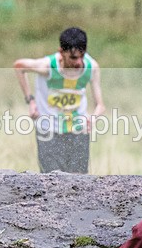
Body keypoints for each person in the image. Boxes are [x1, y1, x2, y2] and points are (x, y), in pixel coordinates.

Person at [13, 27, 104, 173]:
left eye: (82, 56)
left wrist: (92, 118)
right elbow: (19, 66)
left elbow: (100, 105)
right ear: (61, 52)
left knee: (79, 182)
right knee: (51, 181)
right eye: (73, 58)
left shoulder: (91, 67)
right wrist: (31, 101)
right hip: (48, 131)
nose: (79, 62)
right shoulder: (48, 66)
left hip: (77, 132)